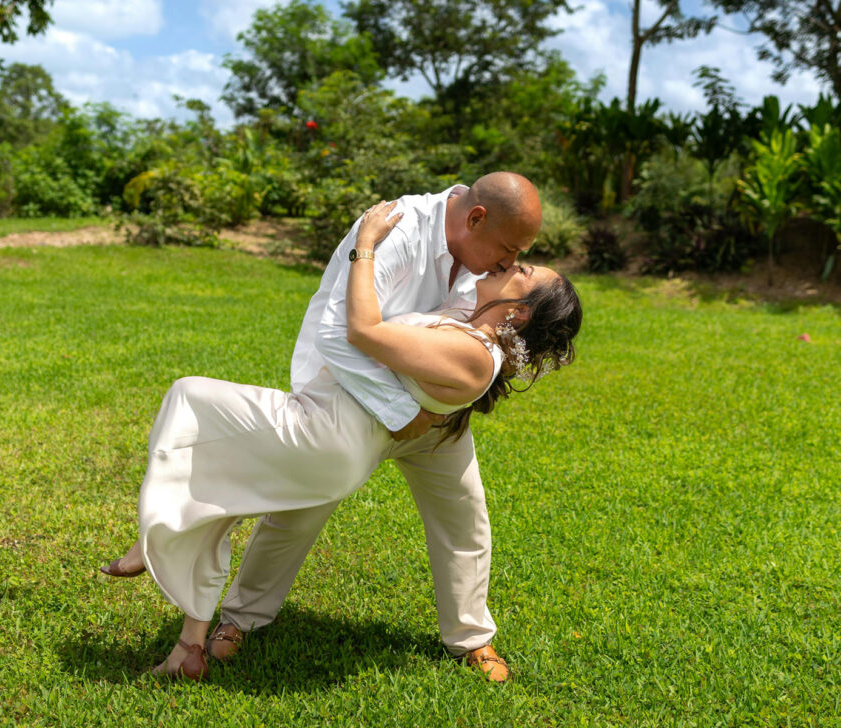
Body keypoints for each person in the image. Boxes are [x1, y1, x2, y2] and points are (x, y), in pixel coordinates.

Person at [102, 190, 582, 682]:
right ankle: (238, 620)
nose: (512, 260)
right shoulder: (400, 227)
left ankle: (472, 637)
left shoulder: (489, 277)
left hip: (433, 421)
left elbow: (470, 347)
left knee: (464, 519)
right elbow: (339, 334)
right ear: (476, 219)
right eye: (510, 249)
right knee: (293, 515)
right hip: (361, 409)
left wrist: (437, 404)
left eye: (521, 259)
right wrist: (401, 409)